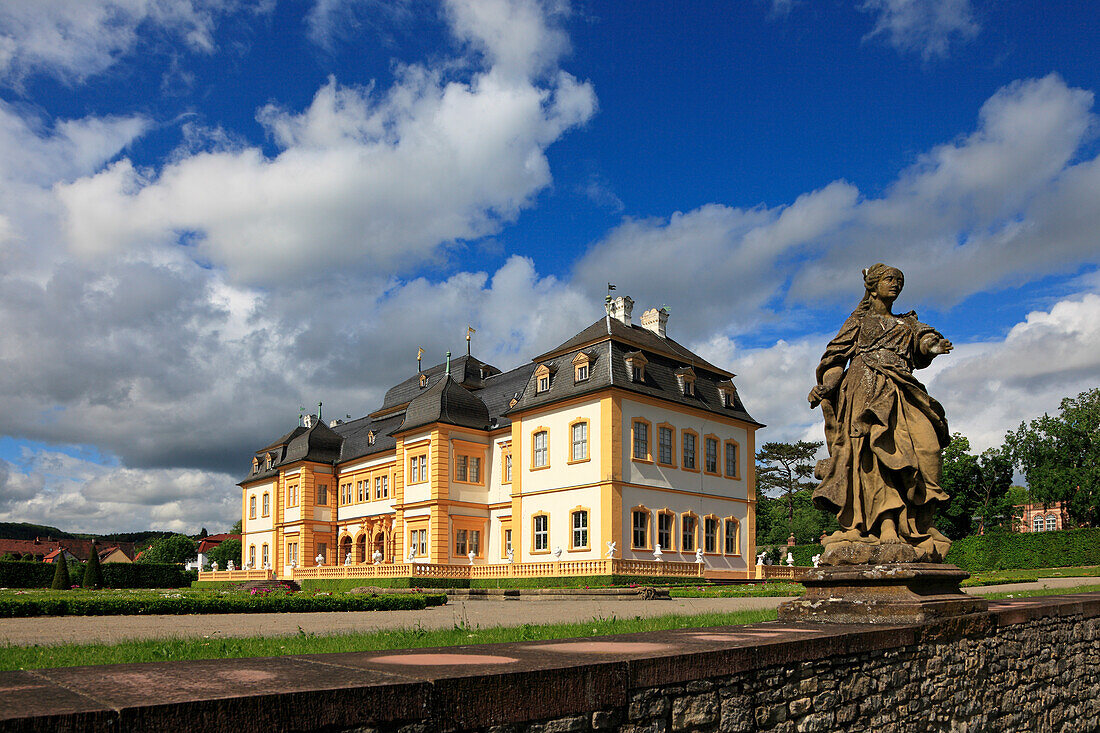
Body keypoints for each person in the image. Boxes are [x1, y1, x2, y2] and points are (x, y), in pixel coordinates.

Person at [808, 263, 953, 562]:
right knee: (873, 455)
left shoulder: (907, 323)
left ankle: (920, 523)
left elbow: (924, 341)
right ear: (872, 287)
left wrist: (931, 347)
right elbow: (835, 359)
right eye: (890, 279)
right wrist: (826, 386)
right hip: (864, 387)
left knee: (929, 449)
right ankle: (886, 521)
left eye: (900, 280)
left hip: (902, 389)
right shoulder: (858, 322)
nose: (896, 285)